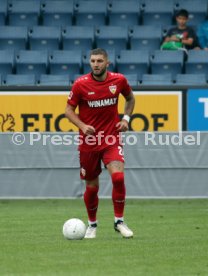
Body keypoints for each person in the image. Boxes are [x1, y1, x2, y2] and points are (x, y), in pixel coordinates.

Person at [65, 48, 135, 239]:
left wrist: (126, 119)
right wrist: (82, 125)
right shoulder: (80, 84)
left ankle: (119, 221)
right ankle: (92, 224)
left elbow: (130, 98)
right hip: (88, 142)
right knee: (92, 187)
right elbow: (68, 111)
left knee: (118, 178)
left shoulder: (118, 80)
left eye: (99, 61)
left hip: (111, 139)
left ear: (107, 63)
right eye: (93, 61)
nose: (95, 64)